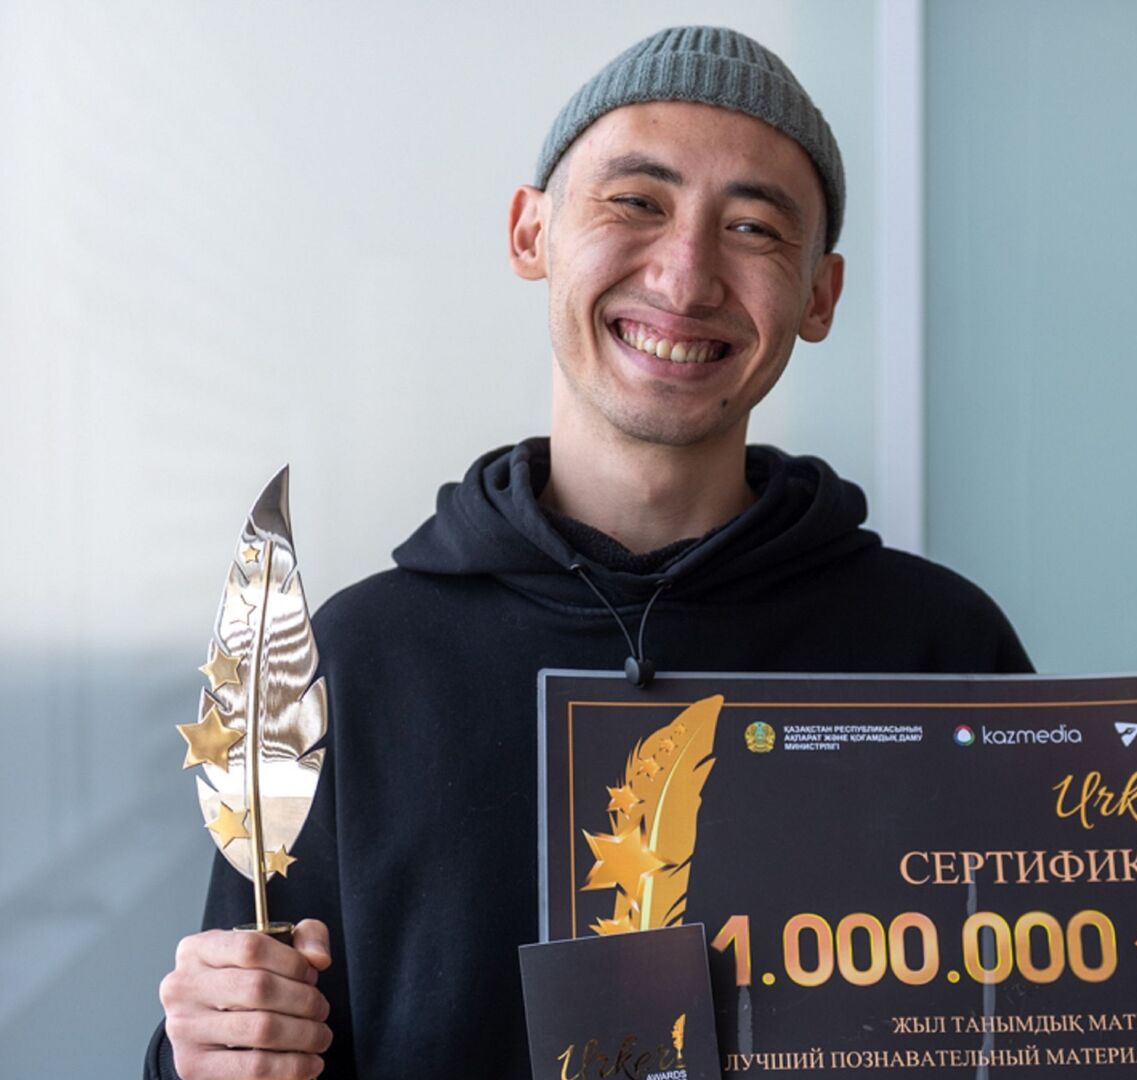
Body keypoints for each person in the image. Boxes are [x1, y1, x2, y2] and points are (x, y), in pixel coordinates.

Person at [147, 26, 1030, 1079]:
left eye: (752, 227)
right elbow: (256, 1039)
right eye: (637, 202)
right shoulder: (359, 660)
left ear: (819, 296)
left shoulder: (941, 652)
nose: (687, 276)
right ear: (532, 233)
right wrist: (204, 1053)